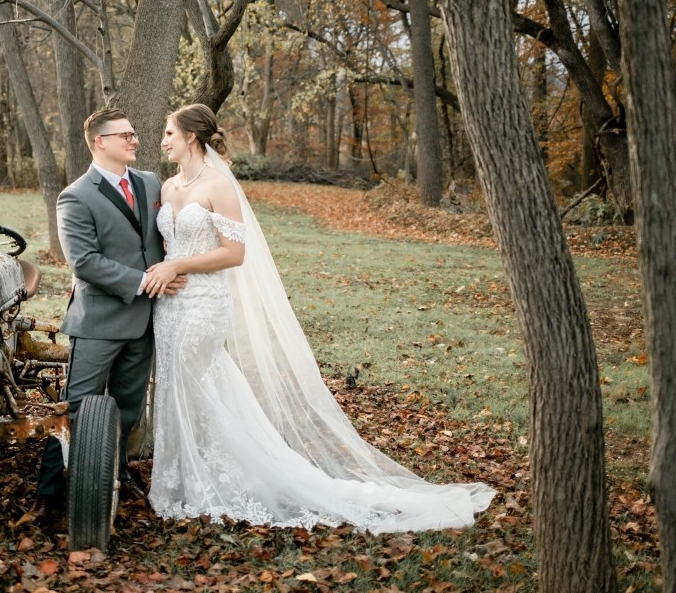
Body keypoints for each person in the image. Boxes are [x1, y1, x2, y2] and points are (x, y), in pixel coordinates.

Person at [139, 104, 495, 532]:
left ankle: (218, 477)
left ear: (191, 137)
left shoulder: (219, 185)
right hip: (171, 305)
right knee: (180, 384)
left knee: (196, 383)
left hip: (204, 303)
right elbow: (165, 244)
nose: (163, 140)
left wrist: (179, 267)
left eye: (169, 133)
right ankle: (184, 476)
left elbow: (235, 253)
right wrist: (164, 269)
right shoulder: (169, 185)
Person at [19, 108, 171, 526]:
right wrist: (145, 281)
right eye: (124, 134)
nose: (134, 139)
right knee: (75, 408)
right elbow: (84, 262)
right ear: (99, 142)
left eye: (134, 132)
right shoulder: (75, 196)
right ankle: (48, 494)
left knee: (126, 408)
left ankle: (115, 474)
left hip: (143, 321)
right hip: (99, 321)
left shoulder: (150, 183)